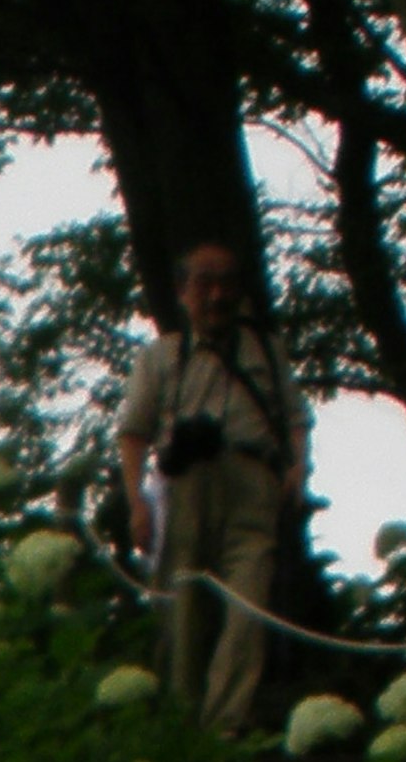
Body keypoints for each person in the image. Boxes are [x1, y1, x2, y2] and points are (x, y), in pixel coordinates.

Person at [117, 242, 306, 731]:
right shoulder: (162, 357)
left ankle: (224, 727)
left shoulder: (265, 349)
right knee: (182, 611)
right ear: (182, 292)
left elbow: (295, 418)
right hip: (185, 487)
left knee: (249, 608)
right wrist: (137, 501)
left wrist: (298, 470)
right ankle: (184, 730)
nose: (218, 294)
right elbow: (134, 432)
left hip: (253, 484)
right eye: (205, 282)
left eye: (227, 282)